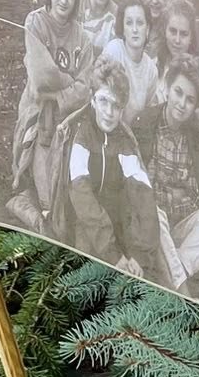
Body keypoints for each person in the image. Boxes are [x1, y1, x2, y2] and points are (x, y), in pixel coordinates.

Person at [131, 55, 199, 290]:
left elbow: (197, 196)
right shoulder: (144, 123)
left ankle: (169, 270)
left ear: (196, 105)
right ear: (167, 88)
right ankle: (182, 291)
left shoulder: (195, 137)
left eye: (190, 100)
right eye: (178, 93)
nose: (181, 104)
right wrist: (172, 196)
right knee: (154, 211)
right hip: (150, 223)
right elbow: (137, 189)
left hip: (179, 229)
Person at [6, 0, 96, 229]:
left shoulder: (83, 37)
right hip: (38, 118)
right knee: (49, 199)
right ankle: (27, 204)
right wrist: (70, 81)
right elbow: (41, 77)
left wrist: (58, 94)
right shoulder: (35, 22)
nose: (63, 0)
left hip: (69, 122)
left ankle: (37, 204)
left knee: (72, 197)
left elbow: (85, 89)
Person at [51, 61, 158, 278]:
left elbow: (143, 196)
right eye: (103, 101)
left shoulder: (125, 141)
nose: (109, 113)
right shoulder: (81, 135)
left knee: (145, 268)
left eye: (116, 106)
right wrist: (113, 254)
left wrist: (138, 255)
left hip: (117, 222)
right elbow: (81, 197)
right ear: (92, 99)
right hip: (84, 222)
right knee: (87, 264)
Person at [98, 0, 160, 121]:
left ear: (147, 29)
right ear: (123, 29)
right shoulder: (114, 50)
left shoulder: (151, 70)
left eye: (140, 23)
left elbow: (147, 112)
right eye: (129, 23)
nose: (135, 29)